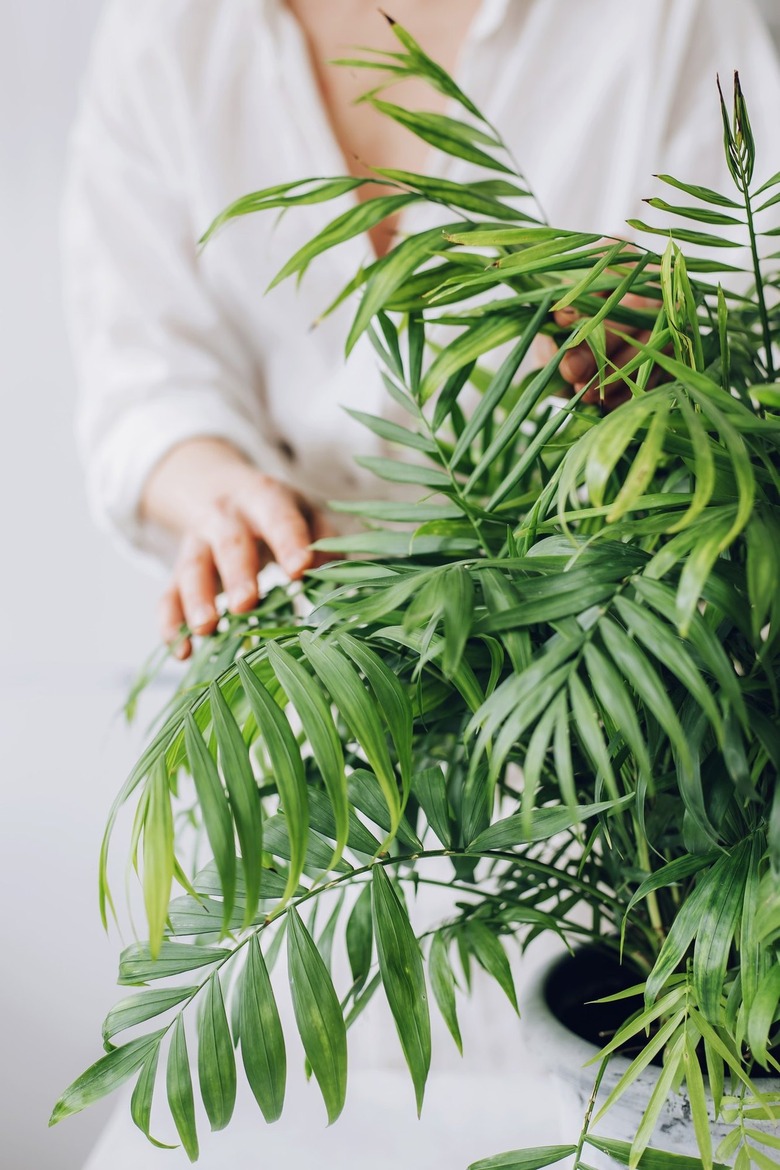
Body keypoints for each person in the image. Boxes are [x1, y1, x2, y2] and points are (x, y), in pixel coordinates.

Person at [64, 2, 780, 1166]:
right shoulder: (169, 31)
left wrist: (674, 359)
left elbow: (757, 298)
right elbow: (143, 381)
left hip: (647, 789)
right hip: (327, 807)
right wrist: (220, 495)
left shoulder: (669, 17)